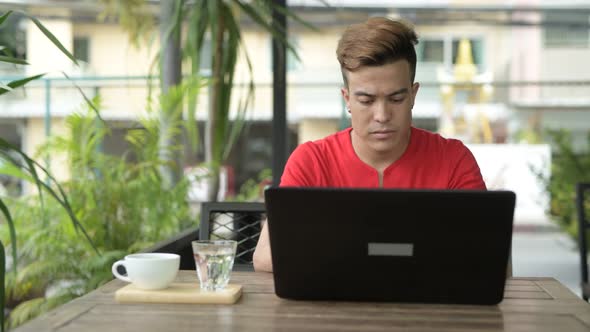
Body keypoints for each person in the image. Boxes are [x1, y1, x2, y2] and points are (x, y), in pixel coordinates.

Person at [253, 17, 487, 273]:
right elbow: (265, 257)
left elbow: (491, 259)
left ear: (413, 95)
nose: (382, 115)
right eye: (366, 100)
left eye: (396, 98)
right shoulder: (312, 159)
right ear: (347, 99)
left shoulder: (454, 159)